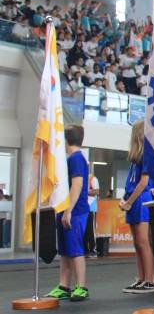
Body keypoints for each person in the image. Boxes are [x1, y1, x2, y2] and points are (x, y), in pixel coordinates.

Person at [45, 125, 90, 302]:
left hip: (75, 211)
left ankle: (81, 286)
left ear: (65, 140)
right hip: (65, 210)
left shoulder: (77, 159)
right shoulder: (70, 158)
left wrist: (68, 211)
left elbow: (77, 185)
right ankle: (64, 286)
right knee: (65, 250)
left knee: (76, 249)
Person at [119, 120, 154, 294]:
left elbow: (144, 183)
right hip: (133, 200)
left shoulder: (147, 154)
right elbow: (131, 183)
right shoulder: (135, 158)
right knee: (137, 243)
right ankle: (141, 278)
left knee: (143, 242)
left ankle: (150, 280)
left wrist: (129, 201)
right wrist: (124, 199)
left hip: (141, 200)